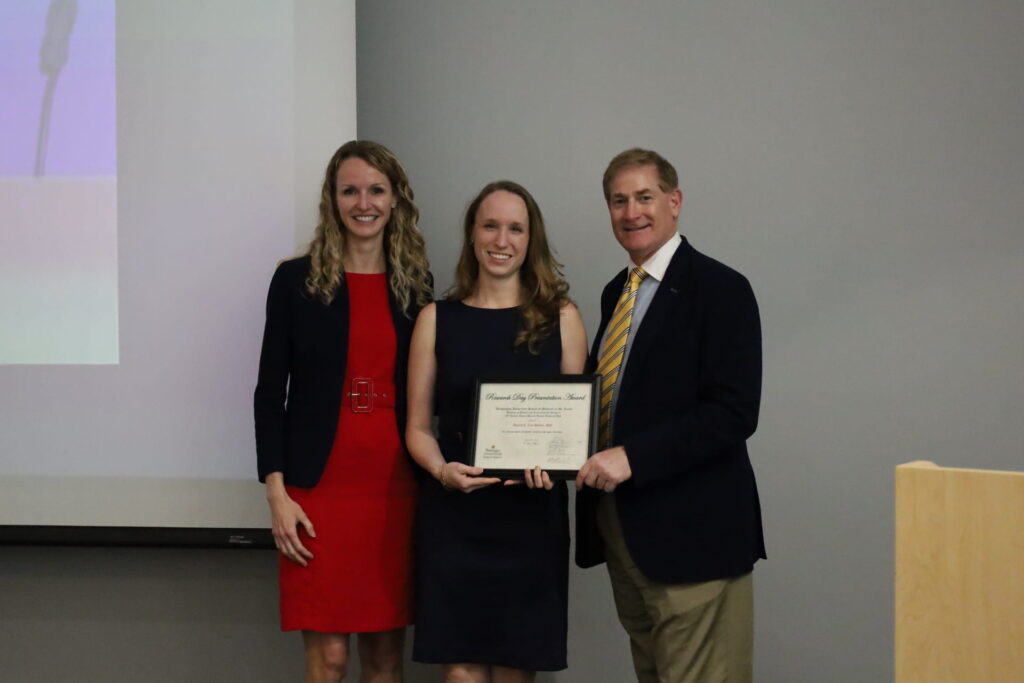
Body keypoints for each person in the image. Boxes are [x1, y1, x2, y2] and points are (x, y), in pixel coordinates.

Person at [575, 148, 765, 683]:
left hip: (694, 537)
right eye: (618, 201)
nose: (631, 212)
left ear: (674, 202)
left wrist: (632, 456)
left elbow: (733, 412)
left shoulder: (721, 289)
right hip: (625, 531)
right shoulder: (619, 291)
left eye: (644, 197)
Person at [254, 140, 432, 683]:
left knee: (383, 662)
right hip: (315, 494)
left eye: (376, 190)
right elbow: (268, 394)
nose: (364, 203)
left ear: (395, 200)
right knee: (328, 661)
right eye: (350, 190)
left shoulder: (416, 287)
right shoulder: (295, 282)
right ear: (332, 200)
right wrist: (276, 494)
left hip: (393, 493)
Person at [405, 181, 588, 682]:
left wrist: (553, 465)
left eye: (515, 228)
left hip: (530, 520)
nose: (501, 239)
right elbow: (417, 428)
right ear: (471, 234)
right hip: (454, 519)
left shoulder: (563, 319)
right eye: (490, 225)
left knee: (516, 671)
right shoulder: (435, 319)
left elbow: (575, 428)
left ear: (531, 240)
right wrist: (443, 471)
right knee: (459, 673)